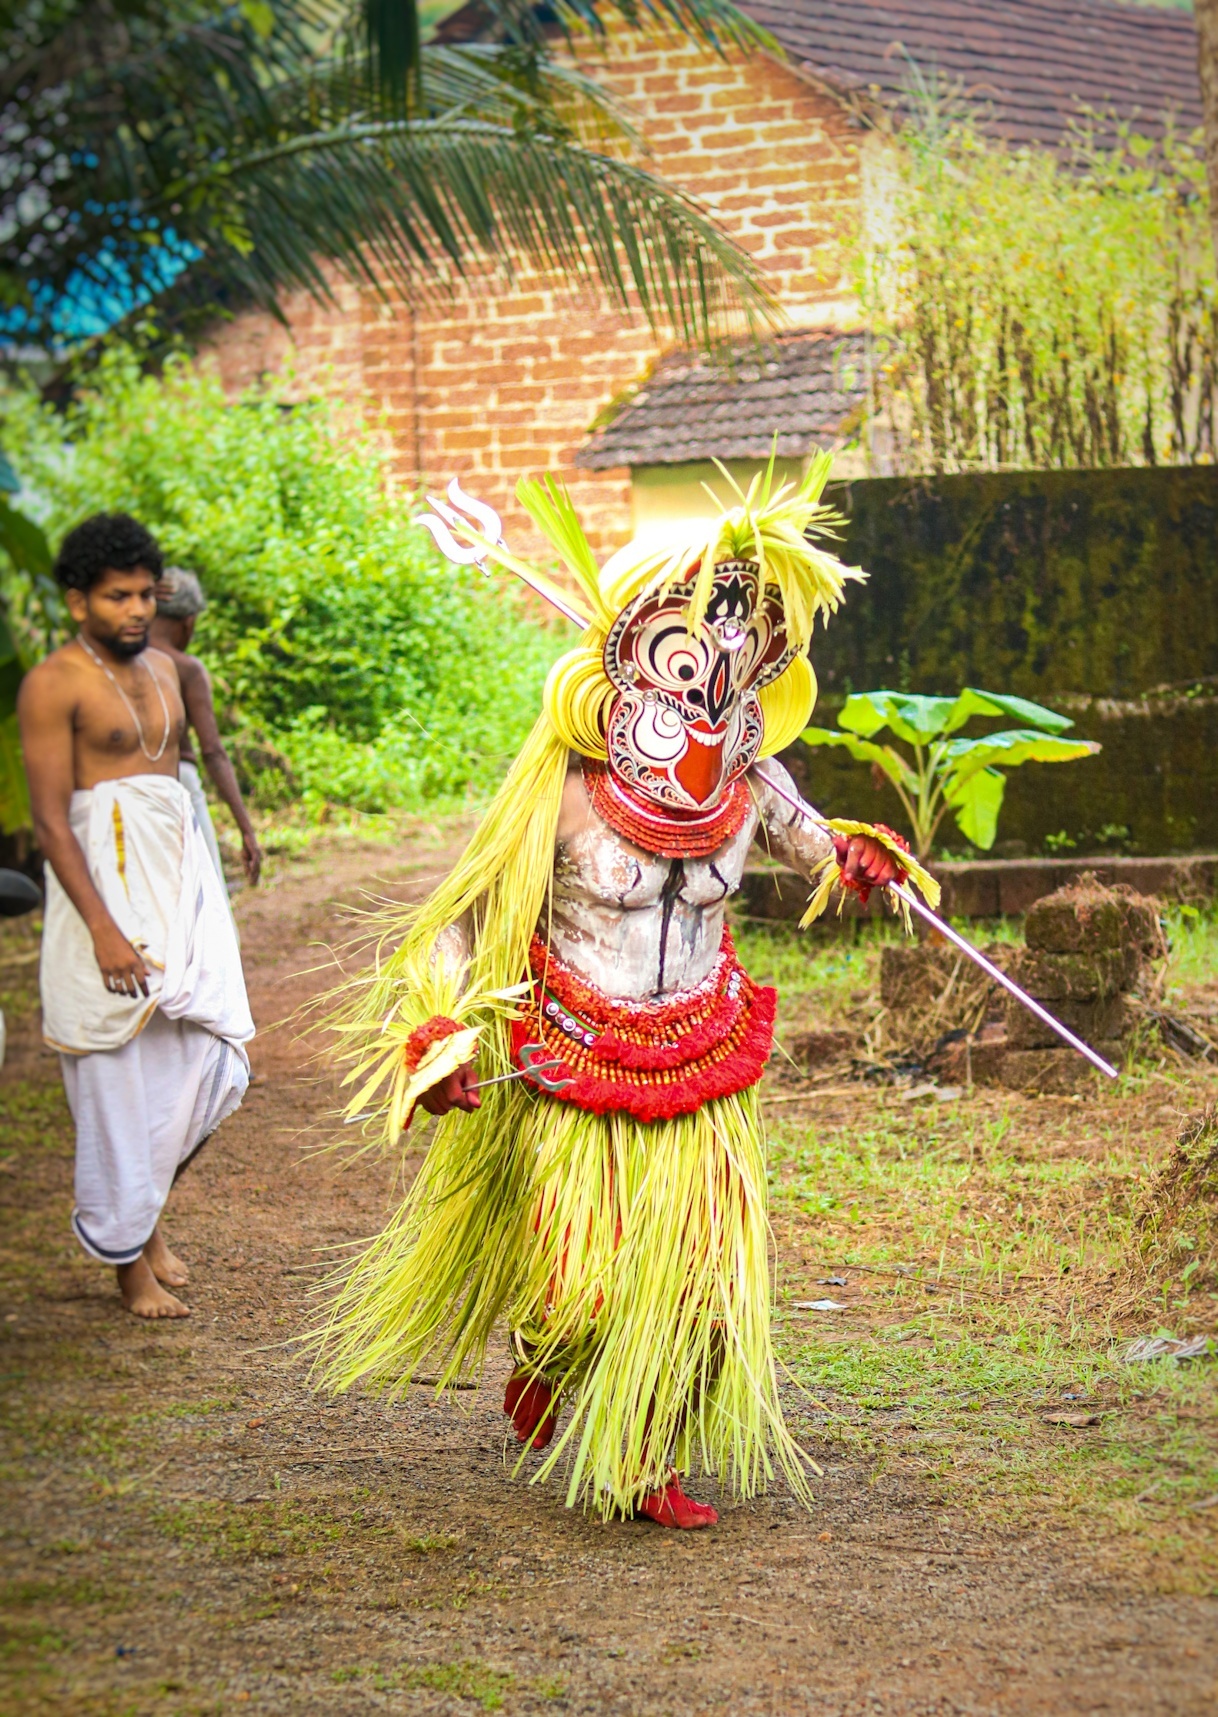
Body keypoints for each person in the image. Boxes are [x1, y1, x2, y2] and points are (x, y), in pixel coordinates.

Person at [311, 460, 937, 1529]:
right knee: (578, 1295)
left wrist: (863, 859)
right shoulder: (563, 790)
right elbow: (460, 922)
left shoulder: (754, 783)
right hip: (578, 1061)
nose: (715, 670)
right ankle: (552, 1363)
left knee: (702, 1289)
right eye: (698, 644)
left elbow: (822, 849)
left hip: (701, 1058)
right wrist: (442, 1029)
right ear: (641, 647)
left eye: (748, 645)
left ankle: (645, 1455)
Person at [18, 513, 253, 1319]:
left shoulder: (168, 668)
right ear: (79, 601)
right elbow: (52, 823)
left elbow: (176, 789)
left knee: (202, 1060)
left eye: (146, 595)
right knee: (119, 1077)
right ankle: (131, 1264)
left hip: (176, 884)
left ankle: (147, 1218)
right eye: (118, 596)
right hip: (102, 902)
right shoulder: (54, 683)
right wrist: (104, 929)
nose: (136, 610)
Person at [149, 568, 262, 892]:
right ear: (188, 621)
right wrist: (246, 829)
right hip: (180, 783)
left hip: (129, 787)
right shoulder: (185, 668)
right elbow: (212, 751)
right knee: (205, 891)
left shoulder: (123, 659)